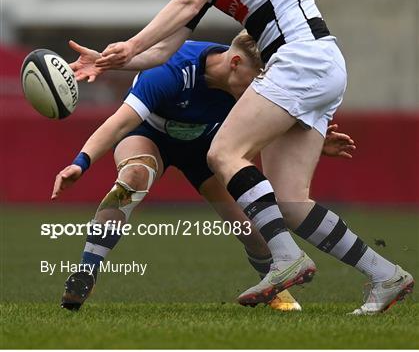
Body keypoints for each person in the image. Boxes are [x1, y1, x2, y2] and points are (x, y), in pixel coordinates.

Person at [76, 0, 413, 314]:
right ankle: (386, 276)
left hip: (301, 56)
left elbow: (190, 2)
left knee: (222, 154)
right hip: (313, 65)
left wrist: (131, 40)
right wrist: (109, 59)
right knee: (291, 202)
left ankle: (286, 259)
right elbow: (164, 51)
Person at [54, 32, 355, 311]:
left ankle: (274, 289)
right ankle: (86, 271)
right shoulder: (172, 71)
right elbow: (118, 123)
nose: (261, 89)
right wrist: (80, 162)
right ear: (235, 63)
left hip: (206, 146)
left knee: (252, 231)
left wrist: (313, 140)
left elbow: (280, 119)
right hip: (149, 133)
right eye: (256, 80)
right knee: (134, 176)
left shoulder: (244, 83)